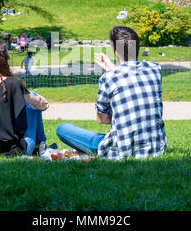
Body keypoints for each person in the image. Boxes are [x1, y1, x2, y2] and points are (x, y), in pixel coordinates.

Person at [56, 26, 167, 160]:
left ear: (115, 51)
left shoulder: (109, 78)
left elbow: (102, 119)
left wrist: (111, 72)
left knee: (62, 128)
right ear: (138, 47)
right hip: (156, 147)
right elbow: (131, 78)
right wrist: (113, 70)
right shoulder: (155, 69)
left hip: (121, 149)